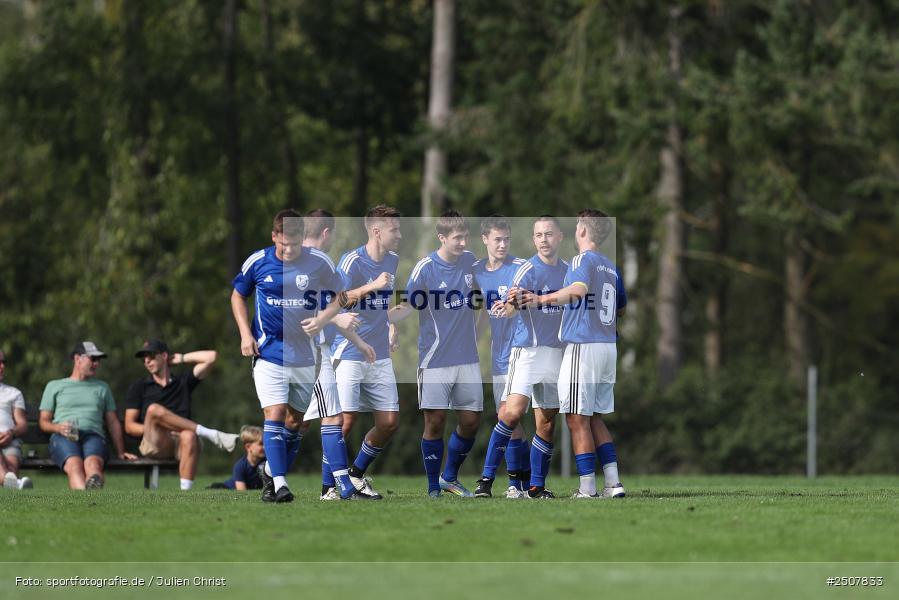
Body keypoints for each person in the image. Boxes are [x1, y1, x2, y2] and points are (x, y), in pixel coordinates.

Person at [231, 209, 372, 502]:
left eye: (295, 245)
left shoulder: (318, 262)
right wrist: (245, 334)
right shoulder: (258, 261)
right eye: (284, 245)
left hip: (309, 353)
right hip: (269, 353)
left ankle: (270, 471)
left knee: (296, 422)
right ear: (274, 237)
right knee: (277, 413)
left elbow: (340, 296)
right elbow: (237, 295)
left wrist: (323, 319)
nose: (290, 250)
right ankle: (289, 485)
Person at [515, 210, 627, 498]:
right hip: (607, 346)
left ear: (582, 231)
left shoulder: (582, 260)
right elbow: (620, 304)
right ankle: (613, 484)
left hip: (583, 346)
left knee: (576, 418)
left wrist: (541, 299)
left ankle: (587, 488)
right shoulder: (610, 266)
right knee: (595, 418)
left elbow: (577, 290)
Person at [474, 216, 568, 499]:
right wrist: (510, 307)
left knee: (547, 422)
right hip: (526, 351)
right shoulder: (527, 269)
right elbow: (514, 300)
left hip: (556, 353)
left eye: (548, 234)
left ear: (560, 237)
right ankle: (486, 480)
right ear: (533, 239)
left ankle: (536, 487)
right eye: (538, 235)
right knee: (511, 413)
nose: (543, 239)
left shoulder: (568, 271)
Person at [393, 211, 482, 497]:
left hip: (467, 357)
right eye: (457, 238)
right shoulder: (425, 269)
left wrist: (478, 331)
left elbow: (482, 296)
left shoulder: (470, 261)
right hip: (435, 359)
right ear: (442, 238)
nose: (463, 242)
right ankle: (433, 487)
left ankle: (450, 477)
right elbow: (407, 305)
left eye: (465, 236)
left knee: (470, 421)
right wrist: (387, 322)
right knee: (435, 421)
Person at [300, 208, 382, 501]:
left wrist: (357, 341)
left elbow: (332, 305)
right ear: (326, 233)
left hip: (318, 349)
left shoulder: (315, 263)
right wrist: (338, 319)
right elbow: (302, 308)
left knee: (328, 418)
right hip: (302, 352)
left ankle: (337, 486)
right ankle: (273, 474)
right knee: (301, 421)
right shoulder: (308, 263)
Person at [323, 204, 403, 500]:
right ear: (376, 231)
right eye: (395, 229)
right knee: (343, 422)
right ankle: (328, 488)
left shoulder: (393, 260)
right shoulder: (352, 261)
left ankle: (355, 475)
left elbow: (382, 307)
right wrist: (372, 285)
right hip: (349, 351)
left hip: (380, 353)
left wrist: (392, 327)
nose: (400, 234)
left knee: (389, 422)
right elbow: (336, 302)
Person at [124, 339, 238, 491]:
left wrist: (183, 358)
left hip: (180, 442)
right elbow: (129, 426)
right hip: (154, 442)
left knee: (189, 436)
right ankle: (210, 434)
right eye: (144, 358)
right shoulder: (139, 386)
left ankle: (185, 494)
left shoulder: (182, 382)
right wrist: (158, 426)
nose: (147, 361)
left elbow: (212, 356)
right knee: (153, 410)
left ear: (164, 356)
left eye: (151, 356)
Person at [470, 216, 530, 498]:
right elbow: (479, 310)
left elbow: (524, 298)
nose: (503, 244)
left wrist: (512, 305)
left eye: (506, 239)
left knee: (510, 416)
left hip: (523, 352)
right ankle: (519, 483)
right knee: (509, 420)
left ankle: (489, 480)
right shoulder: (477, 272)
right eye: (497, 239)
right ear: (485, 240)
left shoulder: (519, 269)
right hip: (498, 356)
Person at [39, 341, 137, 489]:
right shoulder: (54, 386)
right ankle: (87, 503)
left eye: (99, 360)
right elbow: (43, 422)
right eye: (93, 359)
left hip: (93, 435)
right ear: (78, 359)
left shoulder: (102, 388)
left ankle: (91, 498)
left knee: (93, 465)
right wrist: (58, 428)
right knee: (75, 465)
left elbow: (113, 422)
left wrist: (121, 452)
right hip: (64, 436)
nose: (97, 364)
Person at [0, 349, 32, 490]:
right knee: (7, 476)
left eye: (3, 362)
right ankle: (18, 485)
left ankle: (14, 484)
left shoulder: (14, 393)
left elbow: (22, 424)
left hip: (9, 441)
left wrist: (11, 434)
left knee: (10, 473)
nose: (2, 367)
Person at [208, 425, 265, 490]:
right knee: (216, 487)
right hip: (228, 487)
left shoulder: (266, 463)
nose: (264, 447)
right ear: (248, 447)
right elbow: (242, 491)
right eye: (261, 444)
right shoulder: (240, 466)